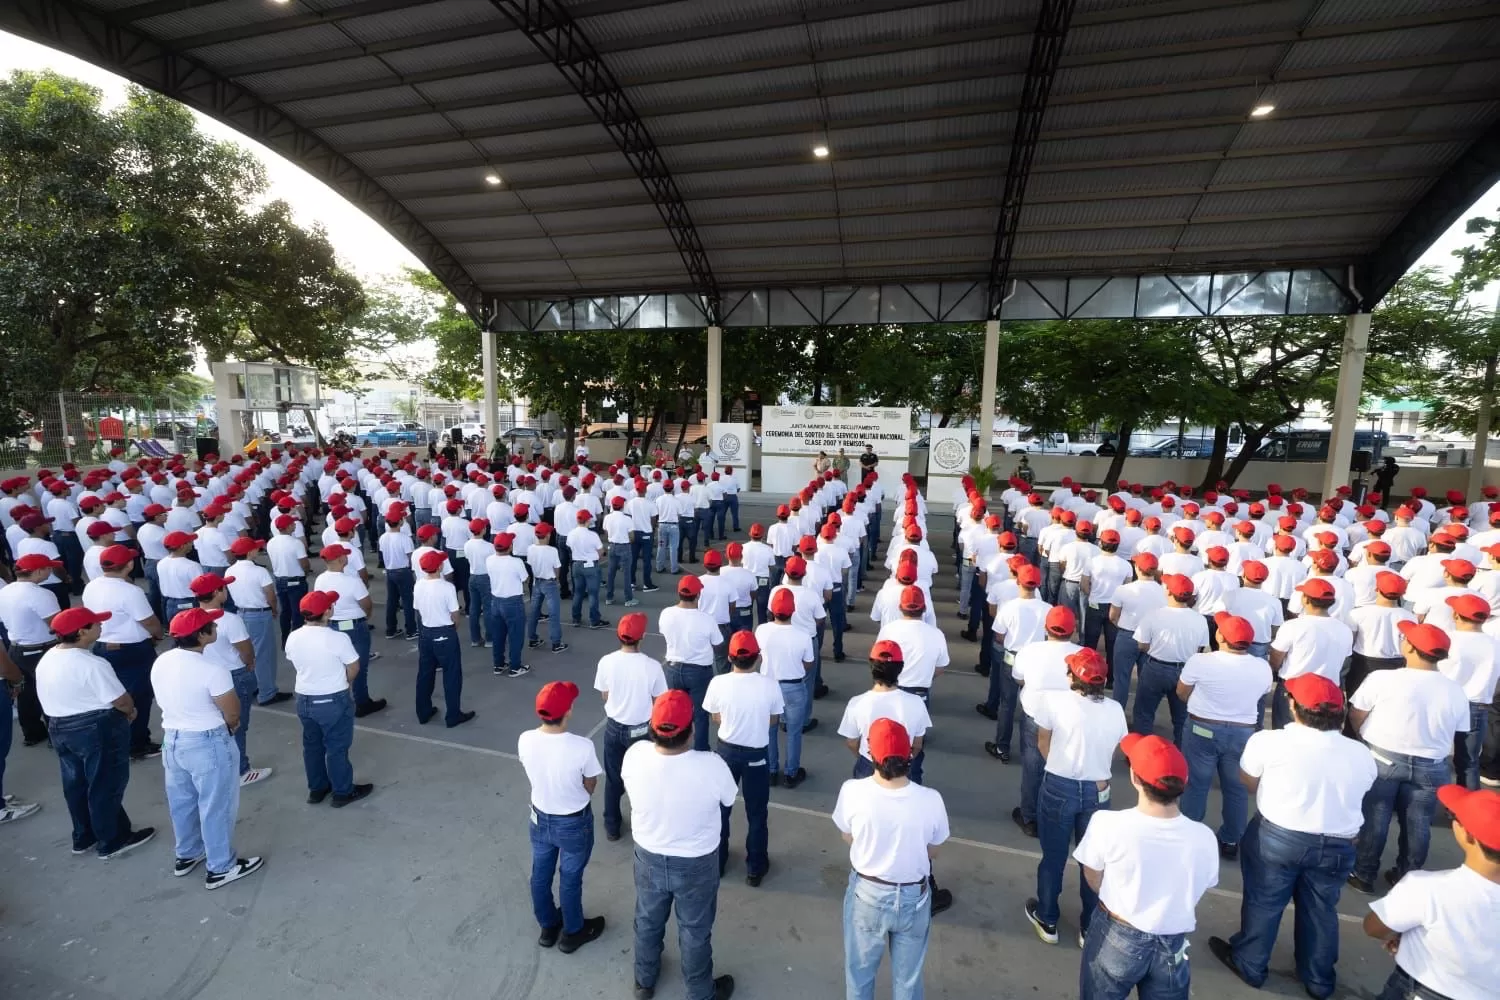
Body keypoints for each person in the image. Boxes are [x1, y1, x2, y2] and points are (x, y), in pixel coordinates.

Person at [1208, 674, 1376, 1000]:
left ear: (1294, 706)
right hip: (1338, 843)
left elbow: (1249, 782)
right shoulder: (1360, 753)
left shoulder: (1268, 742)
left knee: (1264, 901)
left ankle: (1250, 962)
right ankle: (1318, 978)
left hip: (1278, 837)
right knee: (1321, 908)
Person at [1074, 734, 1220, 1000]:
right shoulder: (1204, 837)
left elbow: (1092, 876)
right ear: (1184, 783)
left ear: (1134, 779)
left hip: (1117, 933)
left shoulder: (1107, 824)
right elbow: (1202, 886)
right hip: (1172, 942)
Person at [622, 689, 738, 1000]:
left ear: (652, 727)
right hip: (696, 863)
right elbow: (729, 799)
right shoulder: (712, 765)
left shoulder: (634, 756)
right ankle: (699, 991)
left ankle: (644, 980)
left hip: (648, 856)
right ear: (692, 729)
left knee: (647, 919)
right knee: (695, 930)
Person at [1348, 621, 1471, 893]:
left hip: (1383, 757)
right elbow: (1460, 732)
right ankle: (1408, 877)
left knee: (1376, 816)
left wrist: (1363, 738)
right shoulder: (1455, 690)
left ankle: (1363, 873)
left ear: (1410, 648)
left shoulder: (1382, 678)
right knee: (1418, 823)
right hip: (1432, 765)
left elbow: (1357, 713)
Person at [833, 717, 950, 1000]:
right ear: (910, 753)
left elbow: (847, 835)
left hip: (867, 896)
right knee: (908, 983)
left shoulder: (852, 791)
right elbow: (933, 850)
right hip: (914, 899)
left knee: (859, 977)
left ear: (871, 753)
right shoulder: (931, 799)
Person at [152, 608, 265, 888]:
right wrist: (231, 725)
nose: (215, 627)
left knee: (182, 801)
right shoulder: (214, 670)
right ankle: (220, 867)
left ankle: (188, 853)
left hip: (173, 739)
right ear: (202, 636)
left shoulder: (162, 661)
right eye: (211, 626)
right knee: (217, 804)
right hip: (206, 741)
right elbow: (232, 712)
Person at [34, 606, 156, 858]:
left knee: (76, 783)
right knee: (105, 783)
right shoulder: (92, 663)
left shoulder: (48, 657)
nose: (101, 628)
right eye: (96, 624)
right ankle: (112, 839)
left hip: (59, 726)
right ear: (82, 632)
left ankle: (83, 836)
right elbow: (121, 700)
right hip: (95, 727)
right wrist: (130, 712)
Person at [1027, 648, 1127, 946]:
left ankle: (1047, 919)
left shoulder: (1054, 702)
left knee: (1053, 857)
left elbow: (1043, 741)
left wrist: (1058, 764)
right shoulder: (1115, 709)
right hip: (1098, 790)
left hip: (1059, 785)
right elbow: (1117, 748)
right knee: (1093, 860)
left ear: (1073, 677)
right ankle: (1088, 927)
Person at [1362, 784, 1500, 1000]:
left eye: (1455, 817)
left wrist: (1403, 935)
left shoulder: (1425, 887)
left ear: (1469, 837)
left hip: (1418, 990)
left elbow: (1373, 926)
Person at [1175, 612, 1274, 856]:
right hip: (1242, 733)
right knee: (1236, 789)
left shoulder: (1201, 661)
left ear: (1220, 636)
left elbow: (1181, 692)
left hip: (1202, 728)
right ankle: (1231, 840)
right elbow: (1260, 695)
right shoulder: (1262, 667)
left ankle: (1190, 835)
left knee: (1196, 784)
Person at [518, 680, 606, 953]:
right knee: (570, 877)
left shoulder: (526, 739)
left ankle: (548, 926)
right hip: (573, 821)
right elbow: (590, 784)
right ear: (568, 711)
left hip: (540, 817)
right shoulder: (582, 746)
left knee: (540, 875)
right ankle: (573, 931)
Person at [703, 630, 781, 886]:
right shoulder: (769, 685)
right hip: (757, 755)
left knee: (721, 810)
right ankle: (755, 867)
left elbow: (715, 717)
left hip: (726, 752)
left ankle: (719, 862)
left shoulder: (718, 683)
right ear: (757, 657)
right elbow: (773, 720)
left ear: (730, 657)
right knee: (757, 812)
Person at [284, 591, 373, 807]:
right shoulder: (337, 638)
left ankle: (317, 789)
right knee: (336, 746)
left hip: (305, 699)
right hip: (333, 699)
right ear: (327, 611)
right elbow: (354, 666)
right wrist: (343, 683)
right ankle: (343, 792)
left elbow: (294, 660)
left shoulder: (293, 637)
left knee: (312, 746)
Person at [81, 544, 163, 760]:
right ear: (128, 564)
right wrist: (158, 634)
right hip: (132, 651)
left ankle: (119, 740)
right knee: (140, 697)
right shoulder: (130, 591)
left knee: (113, 696)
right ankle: (137, 744)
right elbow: (149, 622)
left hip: (102, 647)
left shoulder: (92, 586)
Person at [593, 613, 667, 842]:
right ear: (642, 637)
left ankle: (612, 825)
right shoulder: (652, 667)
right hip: (642, 731)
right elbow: (660, 700)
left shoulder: (606, 661)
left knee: (614, 779)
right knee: (644, 778)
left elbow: (605, 695)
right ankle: (645, 823)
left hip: (615, 728)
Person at [193, 573, 271, 786]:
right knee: (236, 724)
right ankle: (240, 771)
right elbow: (245, 650)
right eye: (223, 588)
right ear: (217, 592)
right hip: (233, 676)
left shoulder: (191, 618)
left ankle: (217, 767)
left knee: (214, 723)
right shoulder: (229, 619)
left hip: (204, 677)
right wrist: (250, 663)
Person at [1132, 574, 1209, 746]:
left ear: (1168, 592)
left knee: (1144, 713)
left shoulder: (1153, 615)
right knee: (1181, 717)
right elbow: (1199, 649)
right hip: (1184, 671)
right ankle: (1181, 755)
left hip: (1156, 667)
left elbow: (1142, 645)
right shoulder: (1200, 619)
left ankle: (1140, 753)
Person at [660, 574, 723, 753]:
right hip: (699, 672)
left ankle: (674, 747)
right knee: (700, 714)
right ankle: (701, 749)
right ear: (697, 596)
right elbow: (718, 644)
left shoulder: (666, 614)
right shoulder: (706, 619)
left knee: (675, 710)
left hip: (673, 668)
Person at [413, 550, 475, 728]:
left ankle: (423, 711)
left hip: (426, 633)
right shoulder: (447, 588)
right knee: (452, 674)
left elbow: (418, 610)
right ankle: (453, 714)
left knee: (425, 673)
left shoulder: (418, 585)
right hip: (444, 633)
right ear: (439, 566)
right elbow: (455, 616)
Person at [485, 532, 531, 678]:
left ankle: (498, 664)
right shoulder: (516, 562)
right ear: (510, 546)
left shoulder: (489, 560)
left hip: (496, 601)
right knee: (516, 636)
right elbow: (525, 579)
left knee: (498, 635)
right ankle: (515, 666)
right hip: (513, 602)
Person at [526, 521, 568, 654]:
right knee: (554, 613)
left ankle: (532, 638)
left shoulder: (530, 549)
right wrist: (557, 580)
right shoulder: (552, 551)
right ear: (548, 535)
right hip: (549, 582)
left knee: (534, 612)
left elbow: (530, 564)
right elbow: (557, 567)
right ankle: (556, 642)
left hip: (536, 582)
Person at [567, 509, 607, 629]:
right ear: (587, 520)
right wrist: (597, 557)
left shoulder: (571, 533)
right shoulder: (592, 535)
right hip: (590, 565)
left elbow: (569, 547)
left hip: (576, 565)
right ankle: (594, 620)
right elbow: (600, 551)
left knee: (578, 593)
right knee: (593, 594)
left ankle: (576, 618)